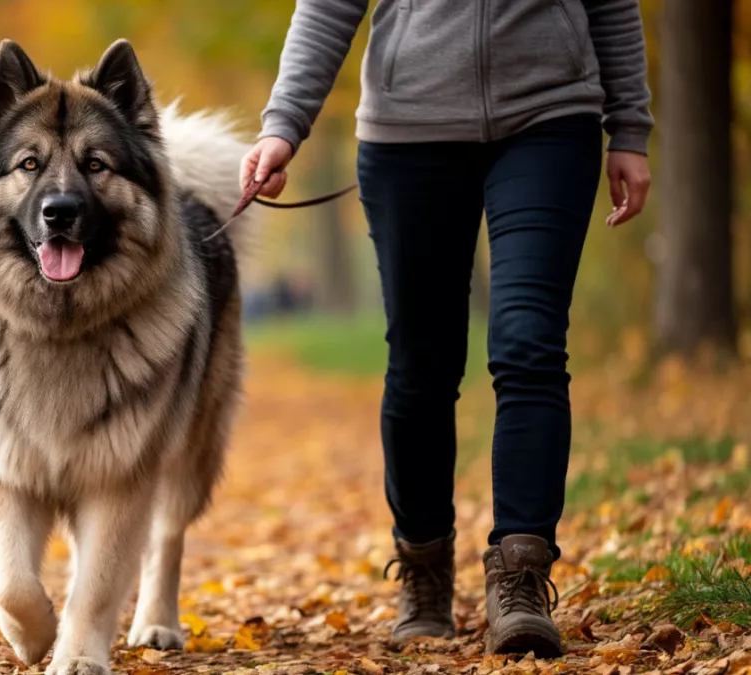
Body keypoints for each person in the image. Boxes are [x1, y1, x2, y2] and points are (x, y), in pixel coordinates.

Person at [241, 0, 652, 656]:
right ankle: (424, 565)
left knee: (529, 343)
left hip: (549, 120)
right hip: (408, 133)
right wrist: (283, 125)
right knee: (422, 365)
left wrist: (629, 126)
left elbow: (611, 4)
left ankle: (520, 573)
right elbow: (327, 6)